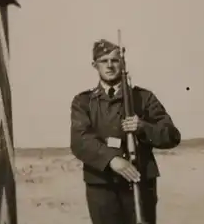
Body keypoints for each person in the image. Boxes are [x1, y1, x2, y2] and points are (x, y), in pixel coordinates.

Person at [70, 39, 181, 224]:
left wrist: (143, 127)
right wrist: (112, 159)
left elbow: (171, 135)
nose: (110, 65)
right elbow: (80, 140)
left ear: (122, 63)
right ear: (94, 65)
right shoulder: (83, 101)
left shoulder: (143, 97)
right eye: (104, 61)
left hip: (139, 180)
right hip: (101, 184)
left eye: (114, 60)